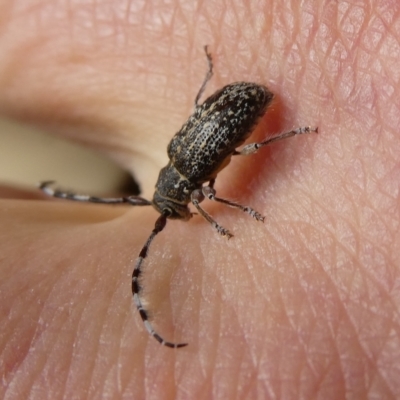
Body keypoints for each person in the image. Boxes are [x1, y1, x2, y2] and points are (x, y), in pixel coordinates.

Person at [1, 1, 399, 398]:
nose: (183, 212)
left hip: (246, 105)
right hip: (231, 105)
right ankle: (246, 103)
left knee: (249, 149)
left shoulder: (190, 171)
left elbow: (209, 200)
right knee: (222, 139)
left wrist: (231, 216)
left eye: (177, 208)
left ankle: (294, 134)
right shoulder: (175, 153)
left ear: (175, 193)